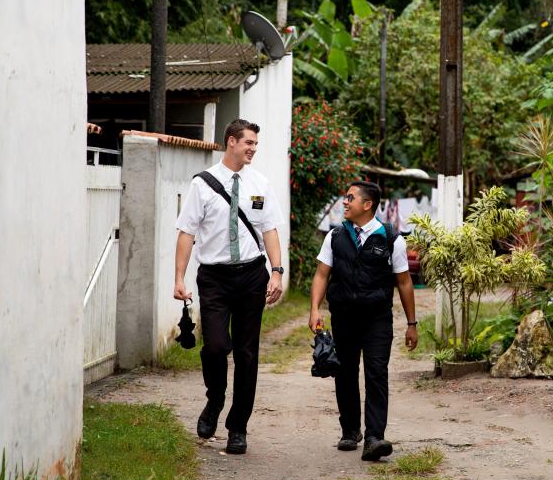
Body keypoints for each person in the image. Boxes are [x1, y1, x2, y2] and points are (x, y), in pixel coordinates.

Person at [173, 119, 285, 455]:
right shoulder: (203, 185)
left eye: (255, 144)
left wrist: (276, 272)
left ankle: (238, 428)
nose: (252, 149)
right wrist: (179, 278)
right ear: (231, 141)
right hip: (215, 278)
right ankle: (215, 398)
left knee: (248, 354)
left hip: (252, 274)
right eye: (248, 143)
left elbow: (270, 231)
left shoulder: (260, 184)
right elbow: (187, 232)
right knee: (217, 346)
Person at [308, 181, 419, 461]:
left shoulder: (391, 238)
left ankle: (374, 437)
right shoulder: (335, 236)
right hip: (344, 316)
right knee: (344, 372)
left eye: (350, 198)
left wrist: (412, 323)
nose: (345, 202)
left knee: (376, 372)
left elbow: (404, 282)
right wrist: (314, 309)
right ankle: (350, 430)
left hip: (377, 319)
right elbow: (322, 274)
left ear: (367, 205)